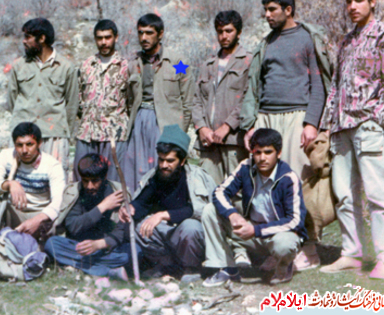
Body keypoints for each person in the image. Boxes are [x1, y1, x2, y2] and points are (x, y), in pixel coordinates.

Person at [239, 0, 332, 271]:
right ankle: (279, 248)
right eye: (265, 10)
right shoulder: (266, 43)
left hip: (296, 118)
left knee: (299, 184)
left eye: (272, 9)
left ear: (288, 10)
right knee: (266, 185)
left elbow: (319, 85)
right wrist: (251, 124)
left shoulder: (307, 38)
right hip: (266, 118)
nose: (267, 15)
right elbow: (254, 86)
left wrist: (311, 122)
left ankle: (310, 249)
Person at [319, 0, 384, 279]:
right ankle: (352, 253)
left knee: (377, 194)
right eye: (348, 1)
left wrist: (376, 120)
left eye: (358, 0)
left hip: (367, 126)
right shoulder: (345, 41)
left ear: (373, 1)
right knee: (344, 195)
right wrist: (327, 124)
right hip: (341, 128)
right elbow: (336, 86)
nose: (352, 7)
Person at [202, 128, 306, 286]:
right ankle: (228, 268)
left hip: (277, 234)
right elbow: (220, 192)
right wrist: (232, 214)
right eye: (257, 152)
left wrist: (255, 230)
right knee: (210, 210)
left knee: (284, 244)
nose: (262, 158)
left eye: (268, 152)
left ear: (278, 153)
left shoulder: (288, 178)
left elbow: (295, 221)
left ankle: (284, 265)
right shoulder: (246, 167)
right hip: (252, 231)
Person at [119, 124, 216, 281]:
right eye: (161, 160)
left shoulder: (196, 177)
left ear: (182, 161)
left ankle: (191, 268)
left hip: (187, 233)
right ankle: (167, 266)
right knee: (135, 226)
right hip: (165, 234)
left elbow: (196, 210)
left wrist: (162, 215)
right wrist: (130, 208)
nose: (164, 165)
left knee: (190, 227)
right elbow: (142, 202)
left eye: (170, 161)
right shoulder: (155, 176)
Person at [123, 14, 195, 190]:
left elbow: (188, 103)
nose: (144, 38)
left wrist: (179, 132)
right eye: (140, 33)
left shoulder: (178, 62)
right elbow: (129, 100)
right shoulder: (133, 63)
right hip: (140, 122)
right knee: (137, 170)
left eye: (149, 33)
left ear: (160, 34)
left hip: (166, 125)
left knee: (164, 169)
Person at [7, 18, 79, 179]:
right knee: (19, 180)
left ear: (42, 38)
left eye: (28, 37)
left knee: (56, 179)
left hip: (54, 135)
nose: (24, 41)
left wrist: (60, 128)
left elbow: (72, 104)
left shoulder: (66, 67)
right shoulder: (19, 65)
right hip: (23, 136)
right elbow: (12, 100)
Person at [45, 153, 134, 281]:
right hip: (80, 247)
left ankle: (83, 266)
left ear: (104, 177)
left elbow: (122, 231)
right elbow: (73, 226)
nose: (89, 186)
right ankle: (107, 271)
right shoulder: (75, 191)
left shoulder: (118, 193)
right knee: (52, 244)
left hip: (106, 247)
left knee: (133, 251)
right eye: (85, 181)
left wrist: (99, 244)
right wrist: (102, 207)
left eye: (95, 181)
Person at [0, 122, 65, 242]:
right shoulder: (6, 156)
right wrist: (9, 184)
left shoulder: (52, 165)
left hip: (40, 216)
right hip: (15, 213)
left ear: (39, 143)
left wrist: (37, 220)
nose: (24, 150)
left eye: (29, 144)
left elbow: (59, 202)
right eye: (19, 145)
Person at [193, 10, 251, 184]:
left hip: (233, 140)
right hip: (208, 142)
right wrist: (202, 128)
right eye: (220, 31)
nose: (224, 36)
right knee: (206, 189)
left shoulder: (248, 61)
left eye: (228, 31)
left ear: (239, 32)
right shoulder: (208, 64)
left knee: (237, 190)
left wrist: (227, 126)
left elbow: (249, 99)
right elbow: (196, 100)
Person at [74, 20, 129, 181]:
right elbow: (79, 97)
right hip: (87, 133)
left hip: (113, 134)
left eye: (107, 37)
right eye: (99, 38)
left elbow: (131, 100)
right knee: (81, 180)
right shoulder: (86, 65)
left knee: (112, 182)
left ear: (116, 38)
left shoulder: (126, 66)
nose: (104, 42)